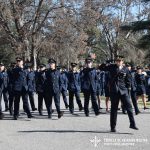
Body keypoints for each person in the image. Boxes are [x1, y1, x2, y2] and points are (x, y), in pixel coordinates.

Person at [99, 55, 138, 132]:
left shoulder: (126, 69)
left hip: (124, 91)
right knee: (114, 109)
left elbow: (128, 80)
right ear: (116, 61)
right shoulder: (111, 67)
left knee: (129, 107)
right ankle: (113, 127)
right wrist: (106, 62)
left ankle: (132, 124)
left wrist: (127, 88)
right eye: (117, 61)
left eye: (120, 61)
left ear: (122, 62)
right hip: (114, 91)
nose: (118, 62)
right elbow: (101, 68)